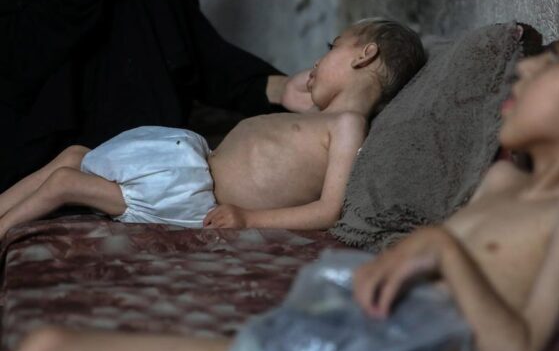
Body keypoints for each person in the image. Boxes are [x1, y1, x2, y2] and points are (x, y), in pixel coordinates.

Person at [4, 0, 559, 351]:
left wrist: (443, 251)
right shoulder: (502, 182)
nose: (528, 67)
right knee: (47, 347)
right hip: (328, 334)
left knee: (50, 350)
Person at [0, 18, 427, 237]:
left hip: (186, 194)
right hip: (182, 164)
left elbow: (329, 210)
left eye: (332, 47)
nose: (317, 60)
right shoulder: (319, 118)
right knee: (75, 155)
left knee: (65, 183)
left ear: (365, 55)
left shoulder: (348, 125)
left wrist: (249, 219)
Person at [0, 0, 312, 194]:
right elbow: (17, 64)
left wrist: (277, 88)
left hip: (151, 169)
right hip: (47, 174)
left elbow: (194, 49)